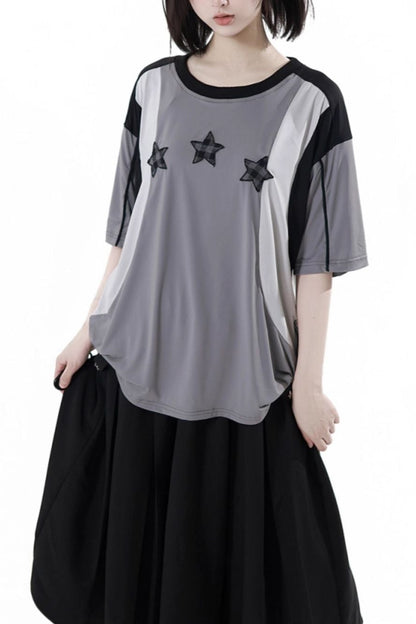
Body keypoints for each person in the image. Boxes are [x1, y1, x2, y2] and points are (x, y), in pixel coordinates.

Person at [30, 1, 369, 623]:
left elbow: (316, 262)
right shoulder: (153, 88)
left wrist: (308, 385)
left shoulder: (313, 103)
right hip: (143, 363)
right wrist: (87, 328)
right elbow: (130, 230)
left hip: (245, 376)